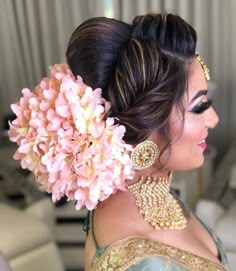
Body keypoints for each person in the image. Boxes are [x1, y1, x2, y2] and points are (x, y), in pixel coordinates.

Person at [9, 13, 227, 271]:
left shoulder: (151, 194)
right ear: (148, 122)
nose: (214, 119)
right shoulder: (139, 263)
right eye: (200, 107)